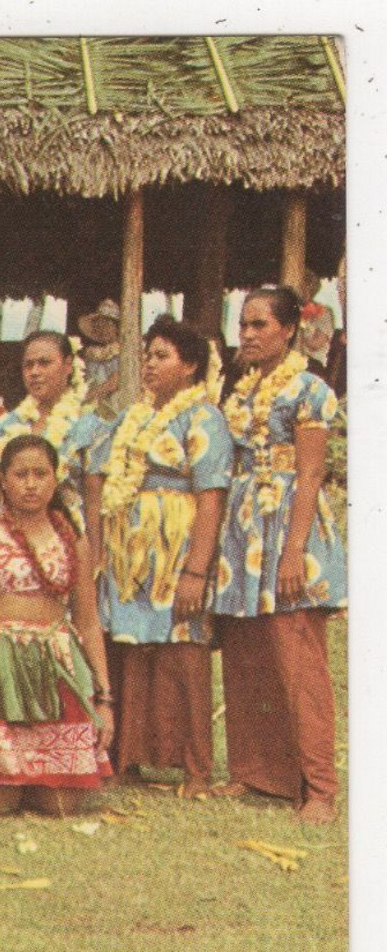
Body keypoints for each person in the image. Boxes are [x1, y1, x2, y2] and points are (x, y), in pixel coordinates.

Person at [212, 286, 347, 825]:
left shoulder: (310, 390)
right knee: (249, 653)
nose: (246, 334)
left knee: (297, 658)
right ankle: (261, 775)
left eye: (259, 325)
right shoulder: (239, 390)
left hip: (293, 523)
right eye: (243, 324)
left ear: (289, 330)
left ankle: (320, 789)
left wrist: (293, 551)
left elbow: (311, 472)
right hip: (245, 529)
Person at [88, 317, 231, 797]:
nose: (149, 364)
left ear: (190, 366)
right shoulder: (137, 415)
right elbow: (98, 469)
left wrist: (196, 570)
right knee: (131, 647)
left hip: (176, 546)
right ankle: (127, 756)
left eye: (162, 356)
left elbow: (211, 497)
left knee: (182, 647)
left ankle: (196, 767)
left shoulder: (204, 417)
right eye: (147, 355)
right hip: (131, 552)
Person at [0, 434, 114, 815]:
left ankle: (45, 769)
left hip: (57, 665)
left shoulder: (74, 540)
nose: (31, 484)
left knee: (60, 805)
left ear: (56, 480)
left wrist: (104, 697)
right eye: (21, 474)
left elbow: (87, 619)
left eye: (40, 474)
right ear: (2, 480)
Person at [0, 331, 108, 533]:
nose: (34, 372)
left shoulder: (90, 429)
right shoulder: (4, 429)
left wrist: (94, 561)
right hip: (10, 541)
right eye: (28, 365)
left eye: (44, 363)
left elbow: (95, 504)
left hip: (69, 539)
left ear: (68, 365)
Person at [75, 299, 122, 410]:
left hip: (114, 402)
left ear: (116, 328)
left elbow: (114, 382)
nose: (102, 329)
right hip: (90, 403)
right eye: (99, 325)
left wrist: (88, 397)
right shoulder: (91, 352)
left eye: (107, 325)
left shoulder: (122, 350)